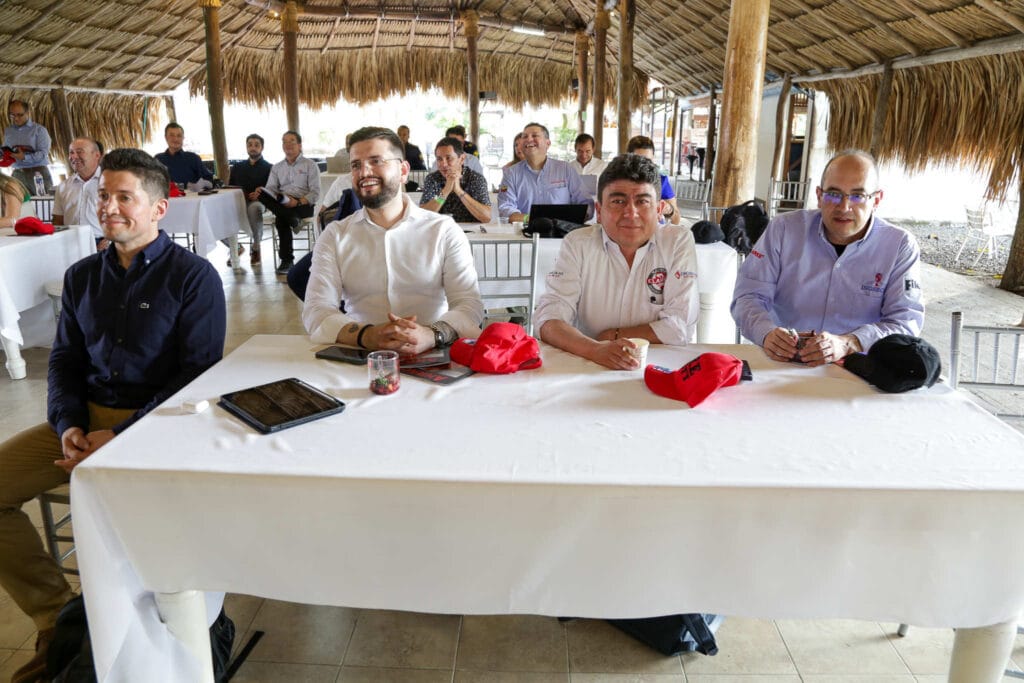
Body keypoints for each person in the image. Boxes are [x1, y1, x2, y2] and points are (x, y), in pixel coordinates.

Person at [0, 147, 226, 683]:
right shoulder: (81, 277)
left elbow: (197, 377)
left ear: (158, 208)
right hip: (87, 423)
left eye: (125, 197)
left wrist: (123, 435)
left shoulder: (193, 278)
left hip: (164, 424)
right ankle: (58, 617)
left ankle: (146, 634)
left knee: (143, 531)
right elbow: (64, 361)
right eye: (104, 196)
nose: (110, 207)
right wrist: (69, 424)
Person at [730, 149, 924, 366]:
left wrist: (850, 343)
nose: (844, 207)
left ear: (876, 200)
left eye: (858, 196)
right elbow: (748, 296)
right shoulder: (783, 230)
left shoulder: (899, 246)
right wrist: (767, 333)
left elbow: (905, 321)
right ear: (819, 196)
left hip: (857, 367)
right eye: (834, 194)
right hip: (783, 360)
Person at [303, 126, 483, 354]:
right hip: (360, 354)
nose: (364, 172)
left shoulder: (443, 231)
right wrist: (367, 335)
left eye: (376, 161)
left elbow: (469, 305)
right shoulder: (335, 235)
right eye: (356, 165)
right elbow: (316, 310)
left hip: (435, 353)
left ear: (403, 170)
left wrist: (432, 334)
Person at [535, 154, 699, 370]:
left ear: (659, 210)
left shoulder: (677, 241)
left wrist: (610, 336)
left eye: (642, 201)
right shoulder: (578, 243)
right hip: (590, 364)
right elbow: (548, 318)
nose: (631, 213)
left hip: (663, 366)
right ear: (600, 211)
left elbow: (680, 326)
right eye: (618, 201)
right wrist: (595, 349)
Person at [498, 122, 592, 222]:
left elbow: (585, 202)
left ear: (548, 143)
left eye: (534, 135)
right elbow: (505, 207)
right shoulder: (511, 173)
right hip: (525, 232)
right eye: (525, 136)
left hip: (563, 233)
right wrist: (529, 219)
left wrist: (579, 217)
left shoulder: (565, 169)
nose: (529, 139)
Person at [258, 130, 320, 275]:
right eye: (284, 141)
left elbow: (315, 193)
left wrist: (297, 202)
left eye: (291, 141)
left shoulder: (310, 165)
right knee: (261, 193)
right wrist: (277, 196)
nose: (288, 144)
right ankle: (294, 220)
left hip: (303, 204)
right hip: (282, 202)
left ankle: (287, 260)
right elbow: (270, 189)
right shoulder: (277, 167)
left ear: (299, 145)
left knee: (281, 220)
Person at [419, 136, 492, 224]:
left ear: (461, 159)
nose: (444, 164)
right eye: (439, 159)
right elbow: (423, 216)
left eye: (449, 158)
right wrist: (445, 191)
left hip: (471, 233)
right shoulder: (432, 179)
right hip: (441, 232)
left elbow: (486, 217)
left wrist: (459, 191)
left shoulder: (475, 179)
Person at [227, 133, 272, 266]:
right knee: (218, 213)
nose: (253, 148)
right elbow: (231, 186)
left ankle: (256, 247)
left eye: (256, 145)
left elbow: (274, 188)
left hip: (261, 202)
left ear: (262, 148)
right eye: (250, 145)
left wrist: (261, 192)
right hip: (239, 201)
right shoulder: (237, 167)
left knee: (254, 208)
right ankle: (235, 247)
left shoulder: (269, 167)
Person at [52, 137, 106, 247]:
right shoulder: (63, 186)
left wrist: (111, 241)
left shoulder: (110, 183)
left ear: (96, 155)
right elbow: (58, 220)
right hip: (69, 243)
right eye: (71, 152)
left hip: (102, 243)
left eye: (80, 152)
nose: (74, 157)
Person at [626, 135, 680, 225]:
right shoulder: (618, 180)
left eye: (648, 160)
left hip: (655, 231)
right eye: (638, 159)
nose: (643, 164)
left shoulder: (660, 179)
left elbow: (676, 217)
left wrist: (669, 209)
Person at [4, 99, 53, 196]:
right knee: (20, 207)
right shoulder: (8, 131)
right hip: (17, 174)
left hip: (38, 173)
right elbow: (6, 149)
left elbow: (43, 154)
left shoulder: (39, 130)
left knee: (42, 205)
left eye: (19, 115)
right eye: (12, 115)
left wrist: (24, 157)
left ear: (28, 113)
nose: (16, 118)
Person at [155, 122, 214, 187]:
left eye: (179, 136)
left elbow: (208, 179)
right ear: (166, 138)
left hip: (191, 196)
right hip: (166, 196)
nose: (175, 139)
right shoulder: (158, 160)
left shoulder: (193, 158)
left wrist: (202, 185)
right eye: (172, 135)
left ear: (183, 138)